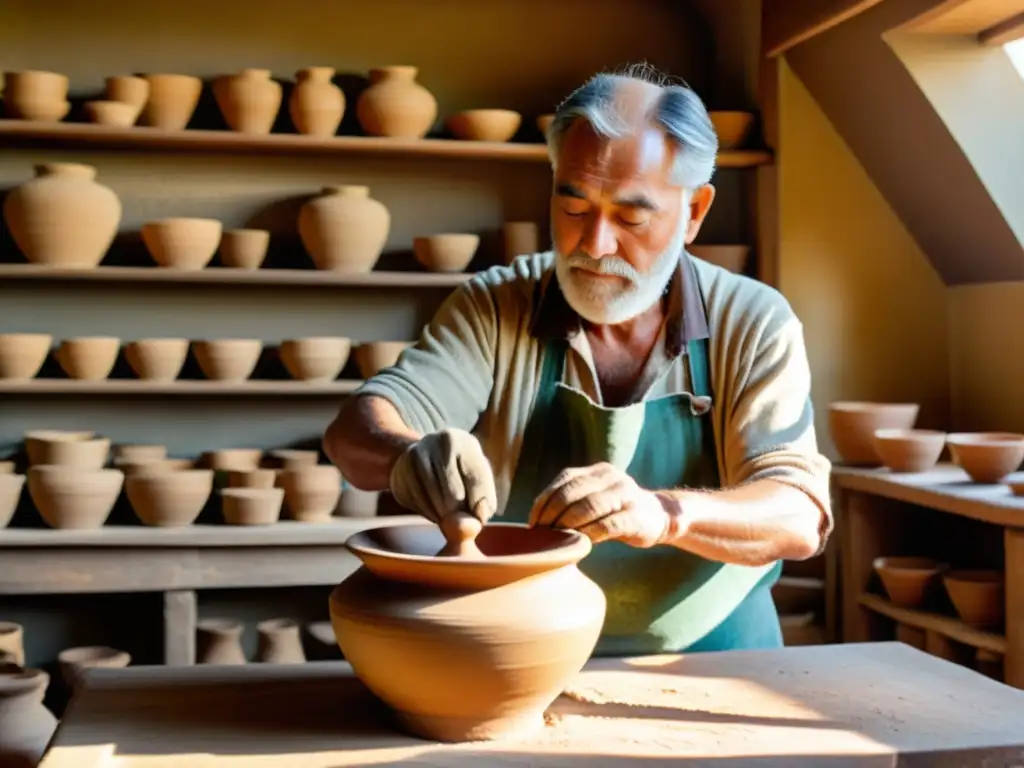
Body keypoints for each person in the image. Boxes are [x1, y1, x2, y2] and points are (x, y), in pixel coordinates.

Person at [324, 63, 832, 656]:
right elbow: (354, 434)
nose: (594, 245)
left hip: (717, 661)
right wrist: (407, 457)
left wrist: (664, 513)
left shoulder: (752, 320)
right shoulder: (498, 304)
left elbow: (798, 517)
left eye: (631, 216)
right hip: (527, 654)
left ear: (694, 213)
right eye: (574, 207)